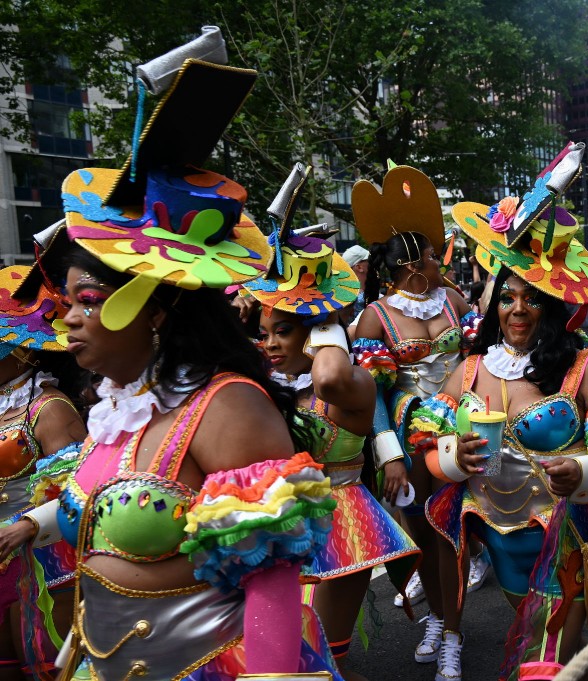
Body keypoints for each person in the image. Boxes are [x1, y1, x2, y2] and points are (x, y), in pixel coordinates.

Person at [0, 32, 344, 680]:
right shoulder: (115, 410)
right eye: (66, 302)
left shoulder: (228, 408)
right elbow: (94, 507)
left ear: (154, 309)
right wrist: (32, 526)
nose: (68, 318)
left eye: (87, 299)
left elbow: (270, 583)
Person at [420, 179, 588, 681]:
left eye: (531, 299)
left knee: (545, 662)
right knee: (557, 659)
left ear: (552, 306)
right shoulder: (469, 370)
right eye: (506, 299)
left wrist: (584, 469)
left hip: (567, 538)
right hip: (499, 539)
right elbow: (429, 447)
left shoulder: (584, 367)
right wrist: (452, 457)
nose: (518, 310)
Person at [241, 164, 421, 678]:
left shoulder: (353, 385)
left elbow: (328, 377)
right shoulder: (261, 389)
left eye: (283, 331)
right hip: (277, 529)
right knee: (278, 663)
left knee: (321, 658)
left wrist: (323, 314)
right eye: (264, 332)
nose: (271, 344)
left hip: (341, 526)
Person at [350, 164, 477, 678]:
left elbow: (475, 359)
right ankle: (441, 619)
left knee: (459, 531)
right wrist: (390, 454)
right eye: (429, 253)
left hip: (461, 426)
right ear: (410, 264)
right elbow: (373, 394)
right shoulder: (374, 318)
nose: (437, 258)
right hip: (407, 434)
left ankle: (453, 630)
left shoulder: (454, 301)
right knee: (424, 533)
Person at [0, 257, 87, 680]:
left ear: (21, 350)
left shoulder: (49, 410)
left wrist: (25, 526)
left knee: (43, 668)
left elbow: (80, 494)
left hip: (39, 563)